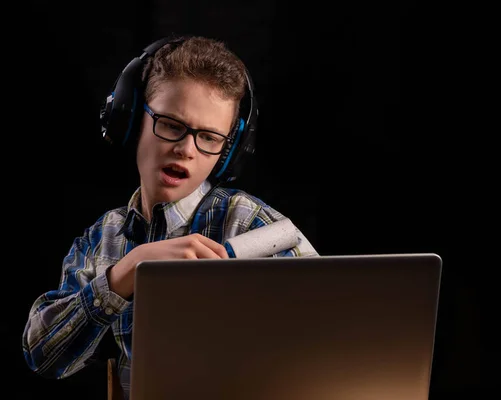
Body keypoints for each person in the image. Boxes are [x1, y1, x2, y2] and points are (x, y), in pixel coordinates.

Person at [21, 34, 318, 398]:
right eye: (172, 126)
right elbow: (42, 354)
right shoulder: (103, 239)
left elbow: (334, 343)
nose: (186, 149)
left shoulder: (252, 224)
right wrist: (126, 271)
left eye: (208, 138)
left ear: (228, 151)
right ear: (129, 120)